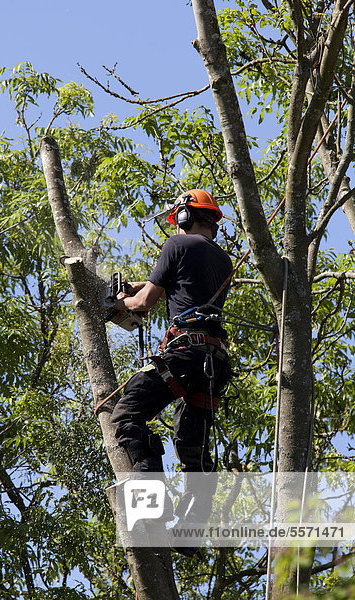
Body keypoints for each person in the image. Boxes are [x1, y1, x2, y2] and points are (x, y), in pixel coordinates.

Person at [110, 190, 233, 551]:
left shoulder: (175, 245)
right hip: (213, 362)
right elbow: (180, 291)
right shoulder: (222, 261)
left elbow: (146, 302)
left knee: (126, 415)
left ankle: (150, 512)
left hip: (184, 354)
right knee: (191, 447)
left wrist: (121, 303)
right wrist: (142, 285)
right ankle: (192, 532)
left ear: (183, 216)